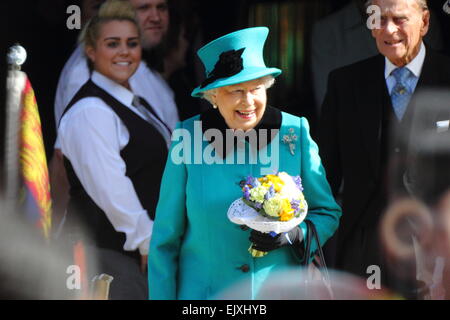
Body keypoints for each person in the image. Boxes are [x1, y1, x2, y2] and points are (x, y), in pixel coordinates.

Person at [148, 27, 342, 300]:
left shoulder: (294, 132)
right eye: (235, 91)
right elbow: (165, 243)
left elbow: (326, 211)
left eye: (256, 88)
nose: (248, 101)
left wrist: (295, 236)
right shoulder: (187, 139)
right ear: (213, 96)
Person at [318, 0, 450, 298]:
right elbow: (323, 176)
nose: (388, 29)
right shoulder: (344, 83)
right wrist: (313, 251)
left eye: (399, 19)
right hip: (364, 249)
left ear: (425, 22)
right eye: (377, 19)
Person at [58, 0, 170, 299]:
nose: (124, 52)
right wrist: (146, 240)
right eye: (112, 43)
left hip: (131, 256)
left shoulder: (132, 101)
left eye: (131, 43)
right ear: (91, 51)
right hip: (108, 257)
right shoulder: (91, 110)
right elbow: (111, 187)